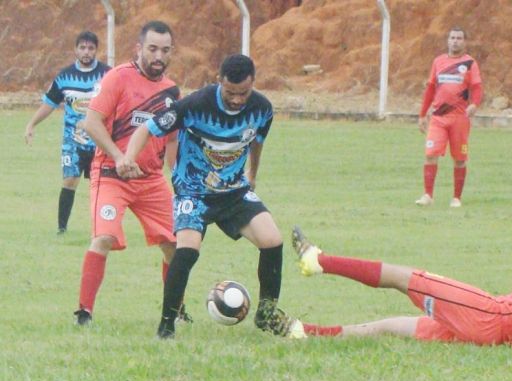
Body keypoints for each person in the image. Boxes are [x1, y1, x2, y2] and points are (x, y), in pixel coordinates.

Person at [120, 54, 304, 339]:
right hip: (193, 191)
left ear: (253, 84)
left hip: (233, 191)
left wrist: (252, 174)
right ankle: (167, 323)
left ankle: (267, 314)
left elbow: (257, 141)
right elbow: (147, 128)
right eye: (230, 92)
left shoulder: (262, 109)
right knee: (187, 250)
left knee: (272, 241)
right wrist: (129, 158)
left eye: (243, 93)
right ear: (219, 81)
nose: (237, 100)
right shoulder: (195, 105)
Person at [291, 226, 512, 356]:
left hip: (490, 315)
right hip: (494, 335)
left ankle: (318, 261)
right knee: (391, 325)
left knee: (405, 277)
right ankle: (306, 332)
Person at [73, 21, 182, 326]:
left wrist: (178, 177)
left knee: (175, 245)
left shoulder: (171, 91)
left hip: (150, 180)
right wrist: (119, 156)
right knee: (104, 237)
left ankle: (175, 307)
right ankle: (84, 311)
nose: (158, 55)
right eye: (152, 49)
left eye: (165, 50)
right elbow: (92, 122)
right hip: (111, 174)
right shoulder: (118, 77)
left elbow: (172, 138)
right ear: (139, 48)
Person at [24, 31, 111, 234]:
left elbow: (119, 104)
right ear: (75, 49)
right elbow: (50, 103)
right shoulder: (65, 77)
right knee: (70, 180)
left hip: (100, 140)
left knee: (101, 186)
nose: (86, 52)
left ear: (96, 50)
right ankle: (61, 228)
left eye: (90, 48)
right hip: (72, 140)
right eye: (82, 47)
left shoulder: (108, 75)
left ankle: (101, 229)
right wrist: (31, 124)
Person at [415, 26, 483, 208]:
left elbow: (476, 87)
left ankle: (456, 198)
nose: (455, 41)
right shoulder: (438, 62)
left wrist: (474, 104)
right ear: (447, 40)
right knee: (430, 154)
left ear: (465, 41)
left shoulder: (470, 63)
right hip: (438, 117)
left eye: (459, 38)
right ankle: (428, 195)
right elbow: (430, 88)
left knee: (459, 158)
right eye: (452, 37)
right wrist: (422, 114)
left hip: (459, 118)